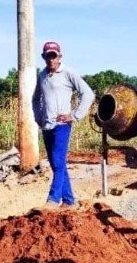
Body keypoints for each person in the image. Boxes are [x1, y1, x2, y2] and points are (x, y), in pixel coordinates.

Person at [31, 40, 95, 208]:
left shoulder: (68, 73)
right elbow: (36, 99)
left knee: (58, 161)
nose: (51, 59)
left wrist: (74, 115)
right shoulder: (42, 75)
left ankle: (53, 199)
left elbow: (88, 93)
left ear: (60, 56)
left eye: (54, 56)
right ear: (43, 57)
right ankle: (69, 201)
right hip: (47, 126)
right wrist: (38, 117)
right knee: (56, 164)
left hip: (62, 125)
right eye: (48, 56)